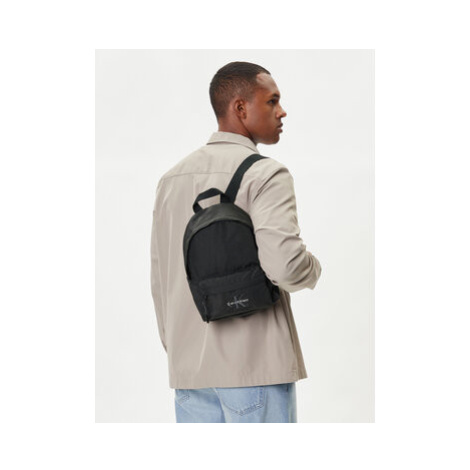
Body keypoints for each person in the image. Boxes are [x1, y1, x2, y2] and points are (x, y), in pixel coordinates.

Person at [150, 61, 322, 423]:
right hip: (253, 366)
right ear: (240, 108)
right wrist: (313, 269)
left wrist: (178, 348)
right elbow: (286, 266)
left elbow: (161, 279)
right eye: (272, 101)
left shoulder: (171, 179)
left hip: (190, 370)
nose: (281, 111)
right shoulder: (266, 174)